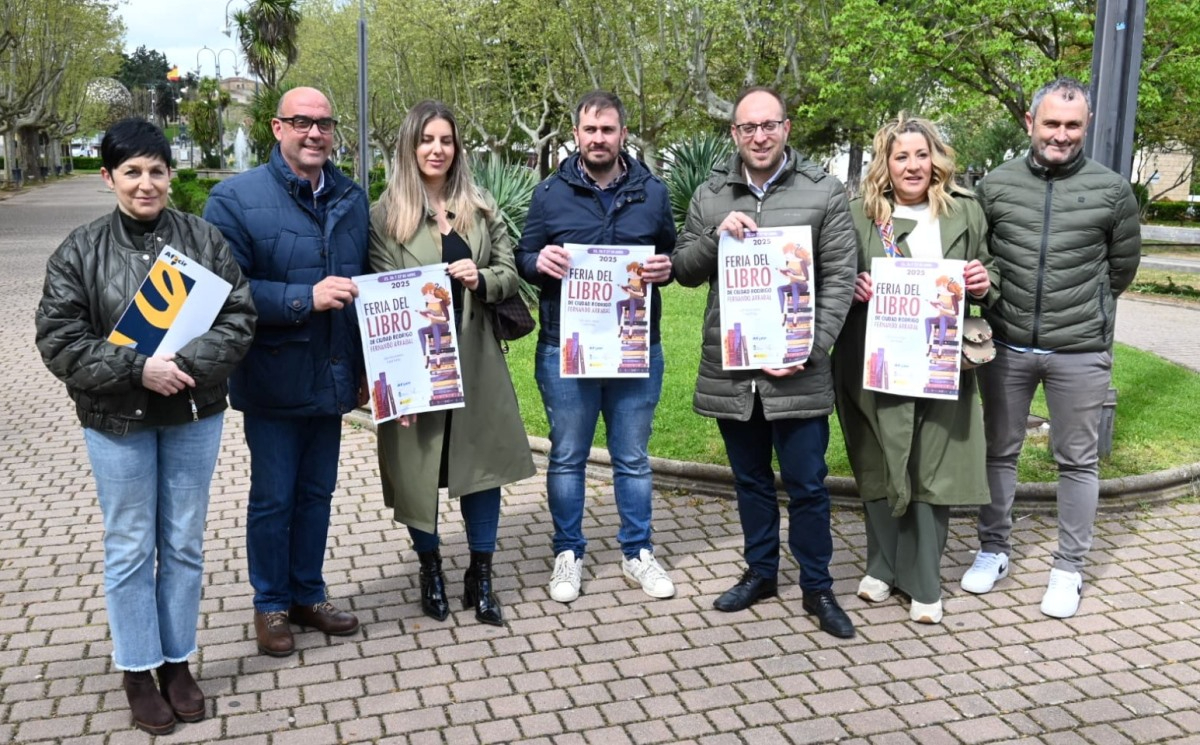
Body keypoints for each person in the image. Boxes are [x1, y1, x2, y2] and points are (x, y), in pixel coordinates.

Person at [35, 118, 255, 734]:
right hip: (117, 423)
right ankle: (138, 667)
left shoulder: (204, 240)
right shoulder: (79, 250)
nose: (146, 183)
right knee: (130, 545)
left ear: (168, 173)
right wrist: (138, 369)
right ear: (108, 177)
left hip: (191, 413)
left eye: (156, 170)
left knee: (183, 541)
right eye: (131, 171)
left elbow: (239, 317)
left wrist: (179, 366)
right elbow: (60, 340)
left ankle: (177, 661)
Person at [673, 86, 858, 639]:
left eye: (768, 125)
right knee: (750, 481)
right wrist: (715, 235)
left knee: (806, 482)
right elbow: (683, 268)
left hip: (796, 371)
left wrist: (806, 347)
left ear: (786, 129)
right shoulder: (710, 195)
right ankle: (761, 572)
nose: (759, 136)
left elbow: (840, 279)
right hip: (735, 373)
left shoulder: (824, 194)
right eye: (748, 127)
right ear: (734, 133)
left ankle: (818, 587)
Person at [959, 77, 1141, 619]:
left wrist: (1084, 315)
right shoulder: (995, 186)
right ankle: (993, 549)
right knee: (999, 451)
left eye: (1073, 125)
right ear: (1031, 123)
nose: (1061, 134)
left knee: (1078, 461)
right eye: (1052, 123)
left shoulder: (1112, 191)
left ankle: (1068, 568)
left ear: (1084, 127)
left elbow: (1121, 269)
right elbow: (983, 258)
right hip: (1007, 343)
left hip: (1079, 350)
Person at [204, 87, 369, 655]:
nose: (315, 133)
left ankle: (308, 593)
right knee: (273, 498)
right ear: (277, 128)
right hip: (273, 377)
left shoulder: (352, 196)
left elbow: (366, 284)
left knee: (318, 493)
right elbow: (226, 291)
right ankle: (270, 604)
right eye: (302, 122)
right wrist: (305, 297)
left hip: (332, 374)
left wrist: (371, 370)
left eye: (324, 123)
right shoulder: (234, 199)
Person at [368, 100, 535, 626]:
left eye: (445, 140)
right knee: (419, 470)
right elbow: (380, 299)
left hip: (478, 357)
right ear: (409, 146)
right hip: (416, 363)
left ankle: (481, 574)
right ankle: (431, 567)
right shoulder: (384, 217)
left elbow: (510, 271)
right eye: (426, 140)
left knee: (480, 469)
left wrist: (480, 278)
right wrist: (398, 387)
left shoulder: (480, 207)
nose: (436, 149)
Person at [831, 114, 997, 625]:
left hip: (941, 360)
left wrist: (981, 279)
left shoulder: (964, 213)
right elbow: (830, 268)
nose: (912, 165)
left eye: (920, 155)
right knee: (877, 462)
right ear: (886, 162)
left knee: (932, 469)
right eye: (900, 156)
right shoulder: (859, 213)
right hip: (872, 357)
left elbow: (994, 271)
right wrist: (852, 283)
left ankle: (923, 581)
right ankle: (882, 567)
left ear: (936, 159)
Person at [515, 90, 677, 604]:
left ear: (622, 134)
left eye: (608, 129)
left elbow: (670, 253)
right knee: (567, 456)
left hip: (634, 346)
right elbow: (522, 255)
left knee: (632, 457)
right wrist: (539, 262)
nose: (599, 138)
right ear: (577, 134)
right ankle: (569, 552)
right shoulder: (549, 194)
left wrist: (666, 269)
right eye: (590, 130)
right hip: (568, 347)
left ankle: (637, 552)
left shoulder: (653, 192)